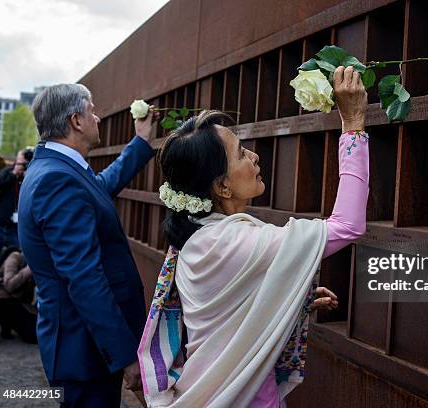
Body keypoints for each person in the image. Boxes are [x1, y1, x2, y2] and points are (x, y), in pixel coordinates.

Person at [139, 65, 368, 407]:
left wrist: (291, 295)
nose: (255, 156)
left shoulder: (200, 237)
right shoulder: (232, 241)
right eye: (241, 153)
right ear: (222, 185)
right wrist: (353, 126)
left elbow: (233, 307)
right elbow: (347, 225)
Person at [18, 84, 159, 407]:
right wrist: (125, 355)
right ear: (76, 121)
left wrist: (140, 142)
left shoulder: (56, 169)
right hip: (83, 351)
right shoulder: (57, 179)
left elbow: (99, 188)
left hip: (82, 345)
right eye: (92, 110)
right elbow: (84, 277)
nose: (97, 118)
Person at [0, 147, 34, 255]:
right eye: (21, 160)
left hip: (16, 230)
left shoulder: (32, 176)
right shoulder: (8, 172)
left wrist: (28, 178)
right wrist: (14, 174)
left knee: (18, 256)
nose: (23, 164)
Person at [0, 246, 37, 343]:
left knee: (34, 334)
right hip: (1, 299)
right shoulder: (15, 257)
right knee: (32, 337)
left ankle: (7, 327)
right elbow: (9, 285)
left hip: (14, 301)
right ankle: (6, 325)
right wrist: (29, 269)